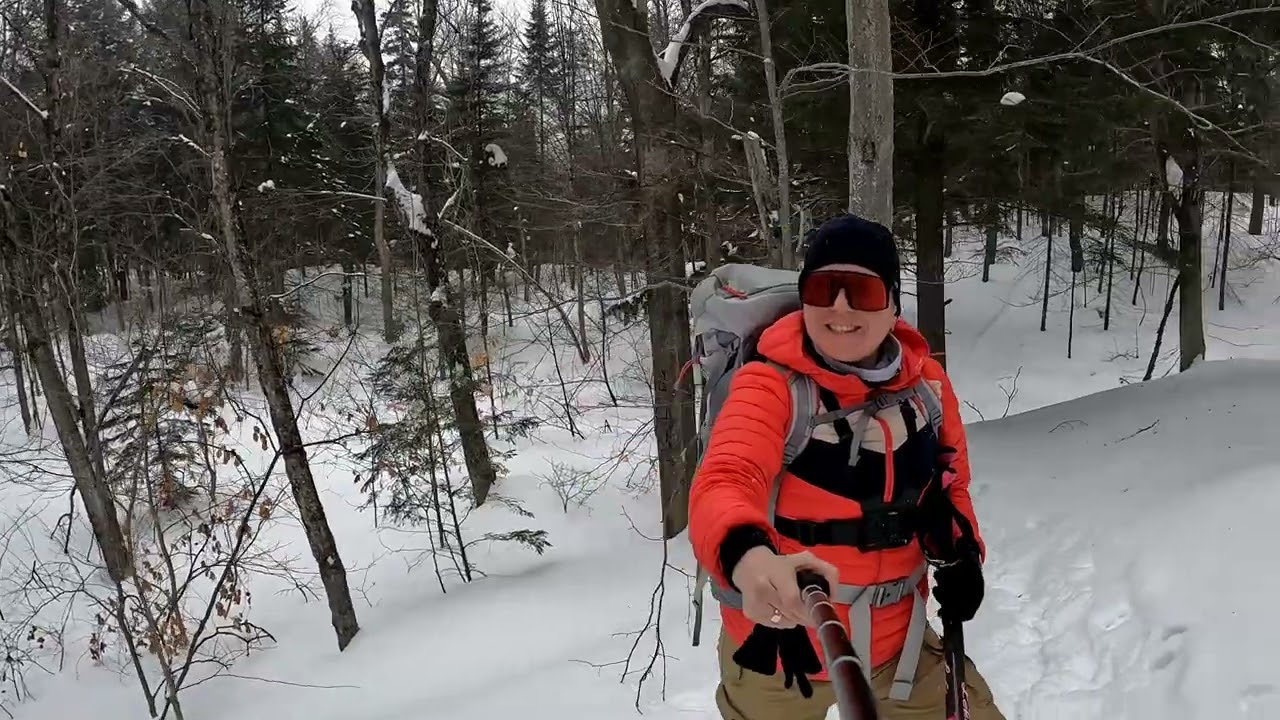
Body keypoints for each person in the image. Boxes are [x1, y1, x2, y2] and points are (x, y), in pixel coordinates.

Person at [688, 213, 1006, 720]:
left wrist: (964, 551)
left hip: (899, 643)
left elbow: (951, 484)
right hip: (781, 649)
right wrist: (748, 557)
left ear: (893, 303)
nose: (840, 306)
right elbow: (727, 477)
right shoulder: (770, 384)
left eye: (862, 291)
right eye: (823, 288)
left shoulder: (926, 384)